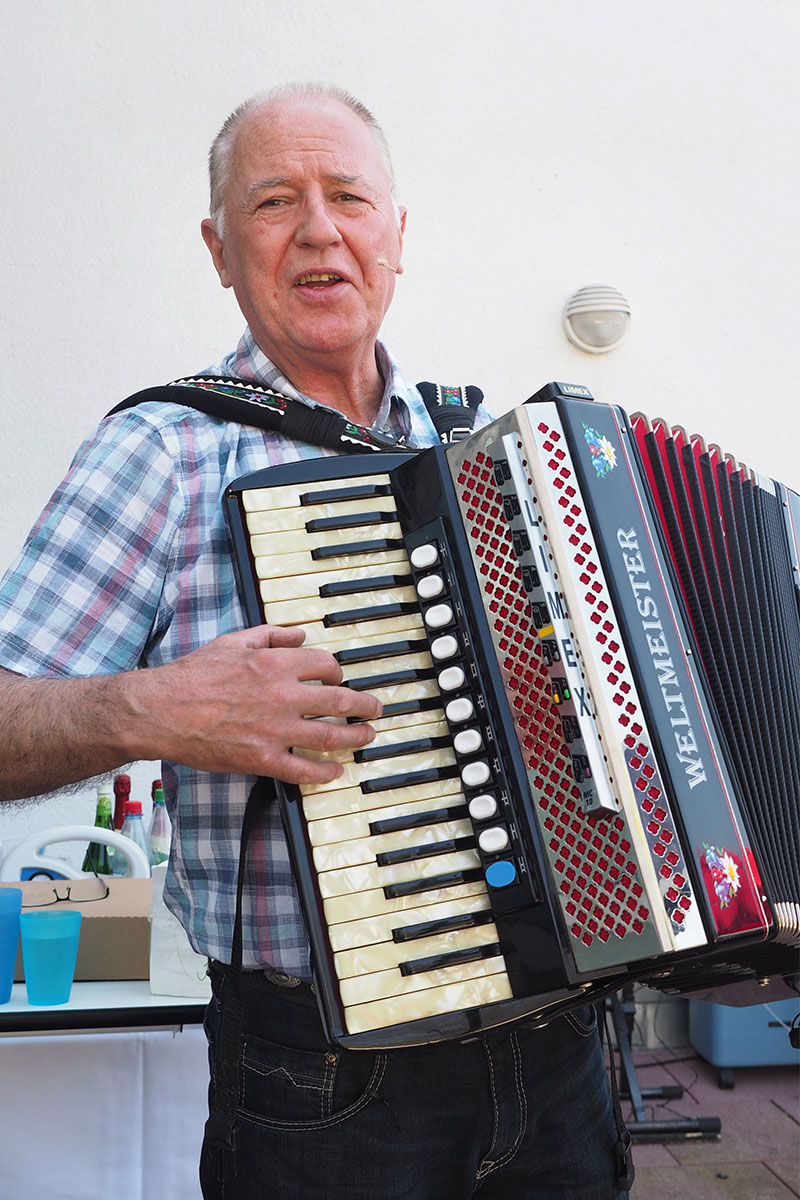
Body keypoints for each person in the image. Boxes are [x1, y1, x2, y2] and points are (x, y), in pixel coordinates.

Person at [0, 84, 628, 1198]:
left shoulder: (477, 456)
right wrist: (148, 709)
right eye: (274, 201)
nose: (319, 229)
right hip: (325, 1091)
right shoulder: (163, 452)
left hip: (561, 1058)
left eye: (348, 197)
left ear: (395, 235)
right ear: (220, 249)